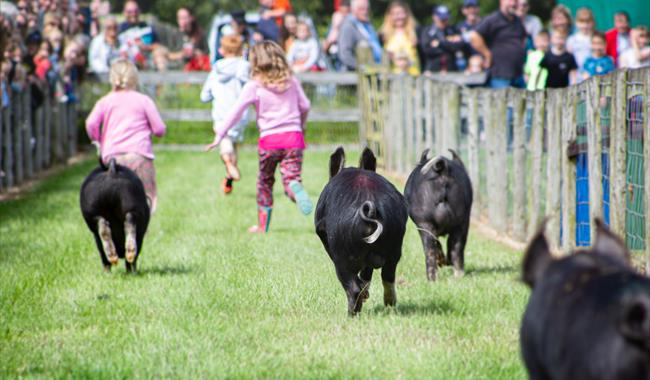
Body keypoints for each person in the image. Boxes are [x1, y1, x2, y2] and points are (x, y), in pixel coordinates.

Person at [205, 41, 312, 233]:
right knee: (291, 177)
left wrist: (220, 135)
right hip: (293, 138)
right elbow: (305, 106)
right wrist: (301, 127)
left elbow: (235, 111)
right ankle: (294, 188)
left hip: (269, 141)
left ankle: (263, 227)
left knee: (265, 181)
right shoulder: (291, 81)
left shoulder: (254, 86)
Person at [85, 59, 166, 212]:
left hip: (112, 158)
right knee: (145, 197)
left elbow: (90, 123)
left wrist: (98, 140)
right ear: (134, 79)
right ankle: (137, 231)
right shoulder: (143, 100)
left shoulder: (105, 101)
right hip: (139, 157)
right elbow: (159, 129)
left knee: (113, 200)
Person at [200, 35, 250, 195]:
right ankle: (229, 177)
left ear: (223, 50)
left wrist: (213, 95)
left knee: (225, 144)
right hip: (240, 116)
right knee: (233, 146)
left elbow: (204, 95)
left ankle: (228, 164)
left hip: (221, 115)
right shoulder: (245, 66)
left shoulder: (217, 68)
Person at [470, 0, 527, 88]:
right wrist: (487, 54)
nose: (513, 4)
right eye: (510, 1)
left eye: (515, 1)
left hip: (518, 75)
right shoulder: (493, 19)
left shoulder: (517, 20)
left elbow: (523, 39)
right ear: (502, 1)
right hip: (499, 76)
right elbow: (474, 37)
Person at [337, 0, 382, 71]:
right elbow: (344, 55)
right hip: (356, 75)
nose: (365, 12)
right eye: (361, 9)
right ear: (353, 10)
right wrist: (362, 67)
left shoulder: (367, 25)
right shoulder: (348, 27)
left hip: (374, 70)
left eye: (367, 9)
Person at [419, 5, 464, 74]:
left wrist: (440, 44)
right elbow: (427, 49)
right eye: (441, 19)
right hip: (433, 69)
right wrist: (449, 44)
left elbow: (458, 46)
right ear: (434, 17)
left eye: (445, 19)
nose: (443, 21)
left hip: (451, 68)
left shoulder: (454, 30)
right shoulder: (427, 31)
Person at [380, 1, 420, 76]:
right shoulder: (383, 35)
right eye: (395, 14)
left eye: (401, 13)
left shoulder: (416, 32)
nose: (398, 17)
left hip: (413, 76)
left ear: (406, 14)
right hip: (392, 77)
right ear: (389, 16)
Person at [118, 1, 158, 68]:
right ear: (124, 13)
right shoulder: (119, 30)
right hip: (126, 66)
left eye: (135, 11)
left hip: (147, 64)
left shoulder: (147, 28)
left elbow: (157, 45)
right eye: (129, 12)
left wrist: (145, 46)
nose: (133, 14)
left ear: (139, 11)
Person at [566, 7, 595, 76]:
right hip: (577, 76)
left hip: (594, 75)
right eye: (581, 22)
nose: (585, 25)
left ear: (593, 22)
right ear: (576, 22)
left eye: (588, 22)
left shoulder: (596, 38)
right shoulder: (572, 40)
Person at [323, 0, 350, 67]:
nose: (344, 14)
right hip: (334, 47)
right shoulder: (336, 19)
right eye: (342, 12)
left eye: (346, 12)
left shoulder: (351, 21)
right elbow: (331, 35)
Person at [456, 0, 482, 70]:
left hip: (482, 60)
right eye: (468, 8)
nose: (471, 10)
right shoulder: (459, 27)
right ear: (463, 10)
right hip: (465, 61)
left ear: (478, 9)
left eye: (474, 7)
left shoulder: (484, 24)